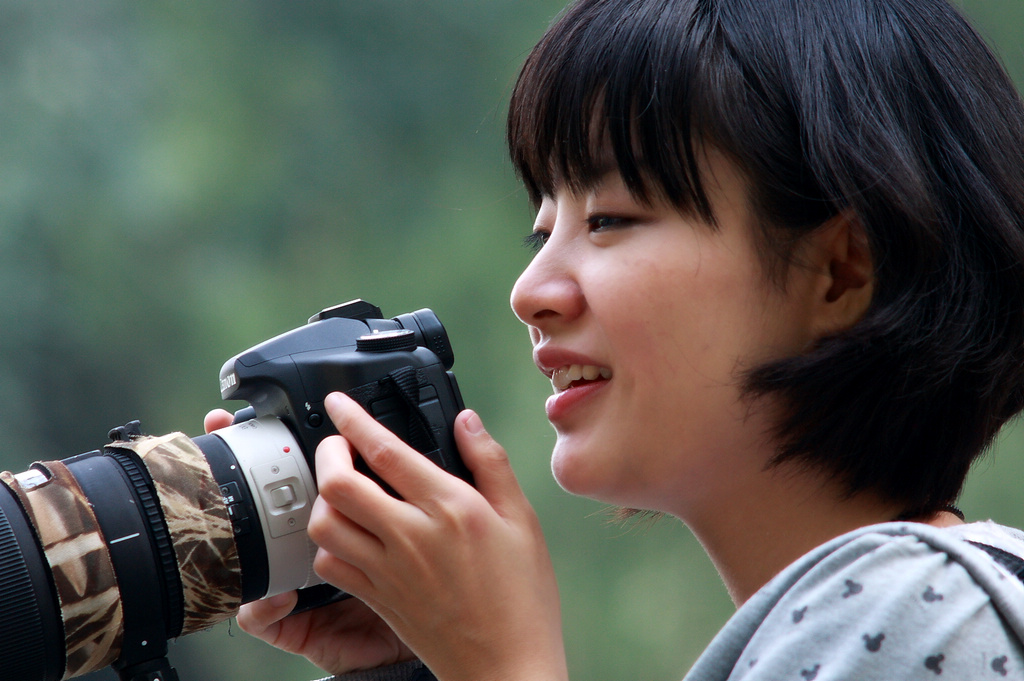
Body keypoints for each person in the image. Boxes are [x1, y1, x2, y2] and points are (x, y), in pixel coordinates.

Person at [207, 0, 1024, 678]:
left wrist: (503, 666)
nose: (530, 293)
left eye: (609, 219)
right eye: (543, 232)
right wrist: (416, 663)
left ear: (840, 273)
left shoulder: (924, 610)